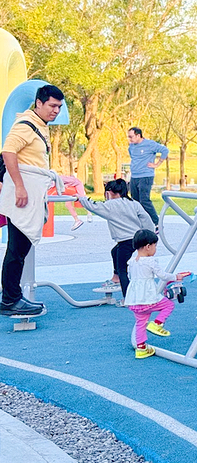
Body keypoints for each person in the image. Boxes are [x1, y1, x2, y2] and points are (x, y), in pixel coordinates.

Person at [0, 84, 64, 317]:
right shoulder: (26, 125)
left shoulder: (39, 125)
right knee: (17, 249)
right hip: (23, 193)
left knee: (20, 249)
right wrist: (19, 186)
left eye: (59, 106)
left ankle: (12, 296)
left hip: (31, 191)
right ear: (39, 103)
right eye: (52, 105)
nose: (56, 110)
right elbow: (8, 152)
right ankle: (10, 299)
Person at [79, 179, 155, 298]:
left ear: (109, 192)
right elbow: (146, 219)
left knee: (122, 269)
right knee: (114, 252)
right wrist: (151, 235)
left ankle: (128, 298)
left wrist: (81, 198)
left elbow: (94, 206)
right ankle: (116, 278)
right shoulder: (133, 203)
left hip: (125, 240)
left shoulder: (110, 205)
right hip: (136, 238)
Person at [126, 229, 190, 359]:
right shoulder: (150, 261)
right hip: (148, 297)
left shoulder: (132, 262)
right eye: (155, 246)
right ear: (148, 246)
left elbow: (131, 277)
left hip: (134, 299)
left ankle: (141, 348)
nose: (155, 248)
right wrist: (176, 277)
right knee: (168, 305)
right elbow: (162, 275)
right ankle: (157, 323)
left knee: (141, 322)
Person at [127, 127, 168, 226]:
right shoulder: (131, 147)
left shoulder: (150, 144)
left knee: (144, 200)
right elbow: (134, 158)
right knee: (135, 201)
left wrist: (157, 164)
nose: (129, 139)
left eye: (131, 137)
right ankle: (140, 223)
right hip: (134, 176)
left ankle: (157, 223)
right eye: (128, 137)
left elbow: (165, 150)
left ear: (138, 135)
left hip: (146, 176)